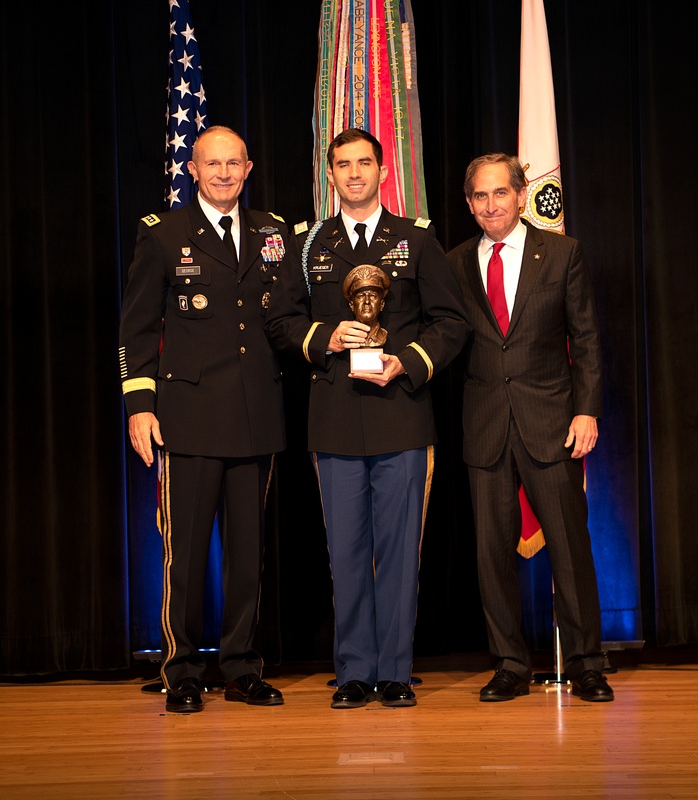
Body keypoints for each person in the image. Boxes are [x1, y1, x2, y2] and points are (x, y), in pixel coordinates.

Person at [265, 128, 469, 709]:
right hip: (333, 418)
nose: (353, 174)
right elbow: (280, 322)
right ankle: (354, 671)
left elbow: (451, 323)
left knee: (401, 550)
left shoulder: (417, 240)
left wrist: (406, 362)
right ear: (330, 173)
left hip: (401, 415)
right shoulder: (309, 244)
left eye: (363, 163)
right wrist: (325, 337)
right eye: (342, 165)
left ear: (383, 170)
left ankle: (397, 672)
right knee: (346, 550)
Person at [118, 126, 287, 713]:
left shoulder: (273, 233)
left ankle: (242, 666)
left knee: (248, 555)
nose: (222, 174)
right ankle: (182, 669)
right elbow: (136, 331)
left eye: (232, 164)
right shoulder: (164, 236)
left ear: (247, 169)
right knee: (185, 556)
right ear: (193, 169)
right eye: (211, 164)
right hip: (187, 419)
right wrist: (140, 405)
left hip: (254, 416)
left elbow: (283, 318)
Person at [447, 152, 613, 703]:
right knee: (491, 556)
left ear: (521, 196)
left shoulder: (562, 254)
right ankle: (510, 663)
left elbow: (586, 339)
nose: (491, 205)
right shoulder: (453, 264)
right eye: (480, 196)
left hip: (553, 423)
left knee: (570, 546)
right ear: (469, 204)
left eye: (501, 193)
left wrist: (586, 410)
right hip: (485, 426)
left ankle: (588, 662)